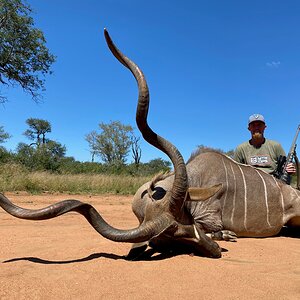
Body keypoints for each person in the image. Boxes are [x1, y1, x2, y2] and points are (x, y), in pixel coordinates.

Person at [234, 114, 296, 181]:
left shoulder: (276, 146)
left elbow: (285, 166)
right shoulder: (240, 149)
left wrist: (289, 168)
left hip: (274, 183)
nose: (256, 127)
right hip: (249, 184)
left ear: (264, 127)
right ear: (249, 128)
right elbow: (236, 172)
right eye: (253, 125)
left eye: (259, 125)